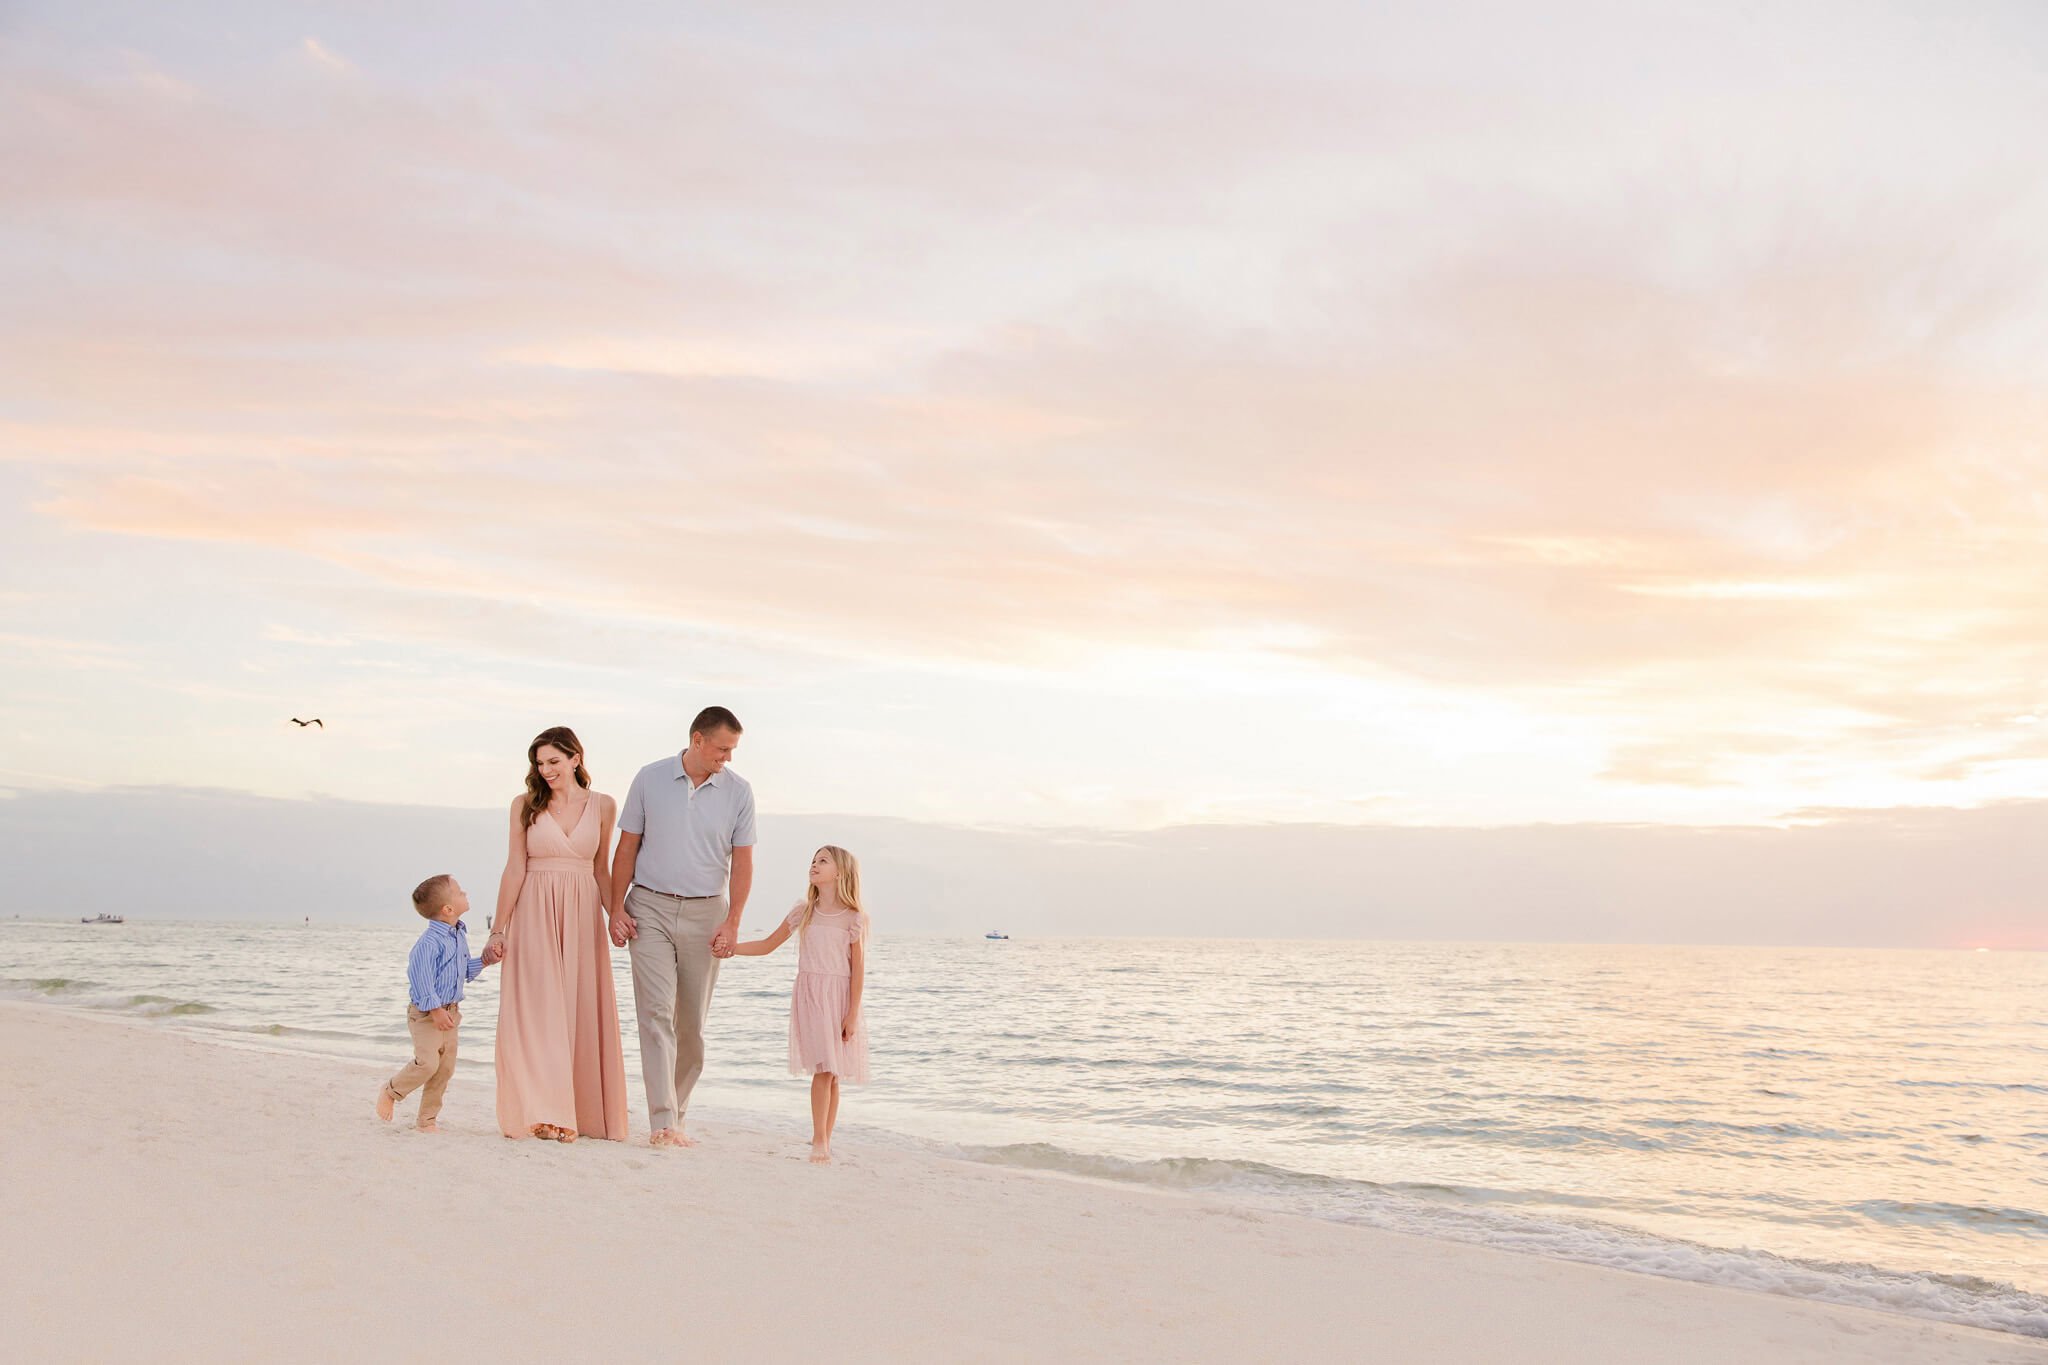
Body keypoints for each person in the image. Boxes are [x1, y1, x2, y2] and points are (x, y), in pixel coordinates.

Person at [609, 706, 756, 1149]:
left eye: (732, 750)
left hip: (707, 913)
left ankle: (678, 1112)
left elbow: (744, 862)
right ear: (697, 740)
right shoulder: (649, 778)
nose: (727, 758)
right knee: (655, 1016)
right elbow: (627, 847)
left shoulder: (739, 793)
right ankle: (662, 1121)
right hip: (648, 908)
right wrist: (615, 908)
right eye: (722, 749)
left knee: (690, 1025)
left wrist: (733, 922)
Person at [491, 726, 630, 1143]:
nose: (546, 770)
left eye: (554, 761)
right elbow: (514, 867)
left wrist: (616, 914)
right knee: (540, 1015)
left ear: (575, 758)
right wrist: (499, 928)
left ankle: (577, 1113)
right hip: (534, 909)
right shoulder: (524, 805)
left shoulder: (603, 805)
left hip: (583, 913)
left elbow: (600, 869)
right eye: (540, 763)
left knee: (578, 1013)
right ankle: (545, 1112)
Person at [729, 846, 870, 1163]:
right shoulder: (804, 911)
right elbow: (767, 945)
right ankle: (819, 1140)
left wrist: (851, 1014)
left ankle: (824, 1139)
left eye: (823, 861)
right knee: (823, 1068)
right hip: (811, 996)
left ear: (840, 872)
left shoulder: (854, 918)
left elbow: (858, 970)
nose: (814, 865)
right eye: (813, 860)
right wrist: (731, 948)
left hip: (840, 997)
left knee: (833, 1073)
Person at [375, 874, 494, 1133]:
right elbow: (420, 979)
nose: (466, 894)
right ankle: (391, 1091)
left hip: (450, 1013)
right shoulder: (428, 943)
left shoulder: (458, 935)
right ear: (448, 909)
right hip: (427, 1014)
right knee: (427, 1063)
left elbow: (462, 972)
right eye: (460, 892)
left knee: (444, 1069)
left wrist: (484, 961)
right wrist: (436, 1009)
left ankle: (427, 1120)